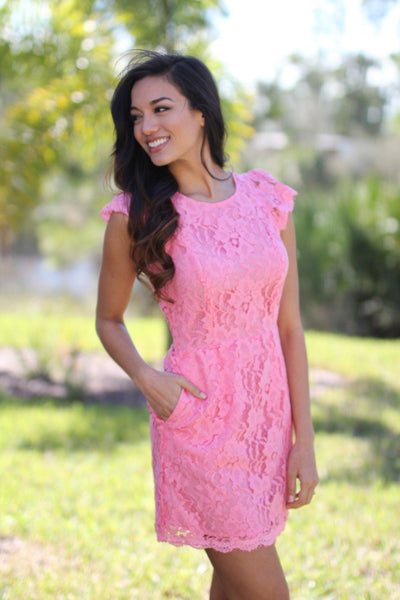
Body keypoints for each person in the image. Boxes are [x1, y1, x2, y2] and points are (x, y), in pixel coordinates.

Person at [96, 50, 319, 600]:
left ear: (201, 112)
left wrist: (303, 438)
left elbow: (289, 327)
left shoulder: (268, 199)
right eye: (136, 117)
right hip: (198, 419)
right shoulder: (137, 213)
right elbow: (108, 319)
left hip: (266, 421)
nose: (147, 127)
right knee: (268, 594)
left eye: (160, 109)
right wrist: (149, 380)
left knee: (235, 589)